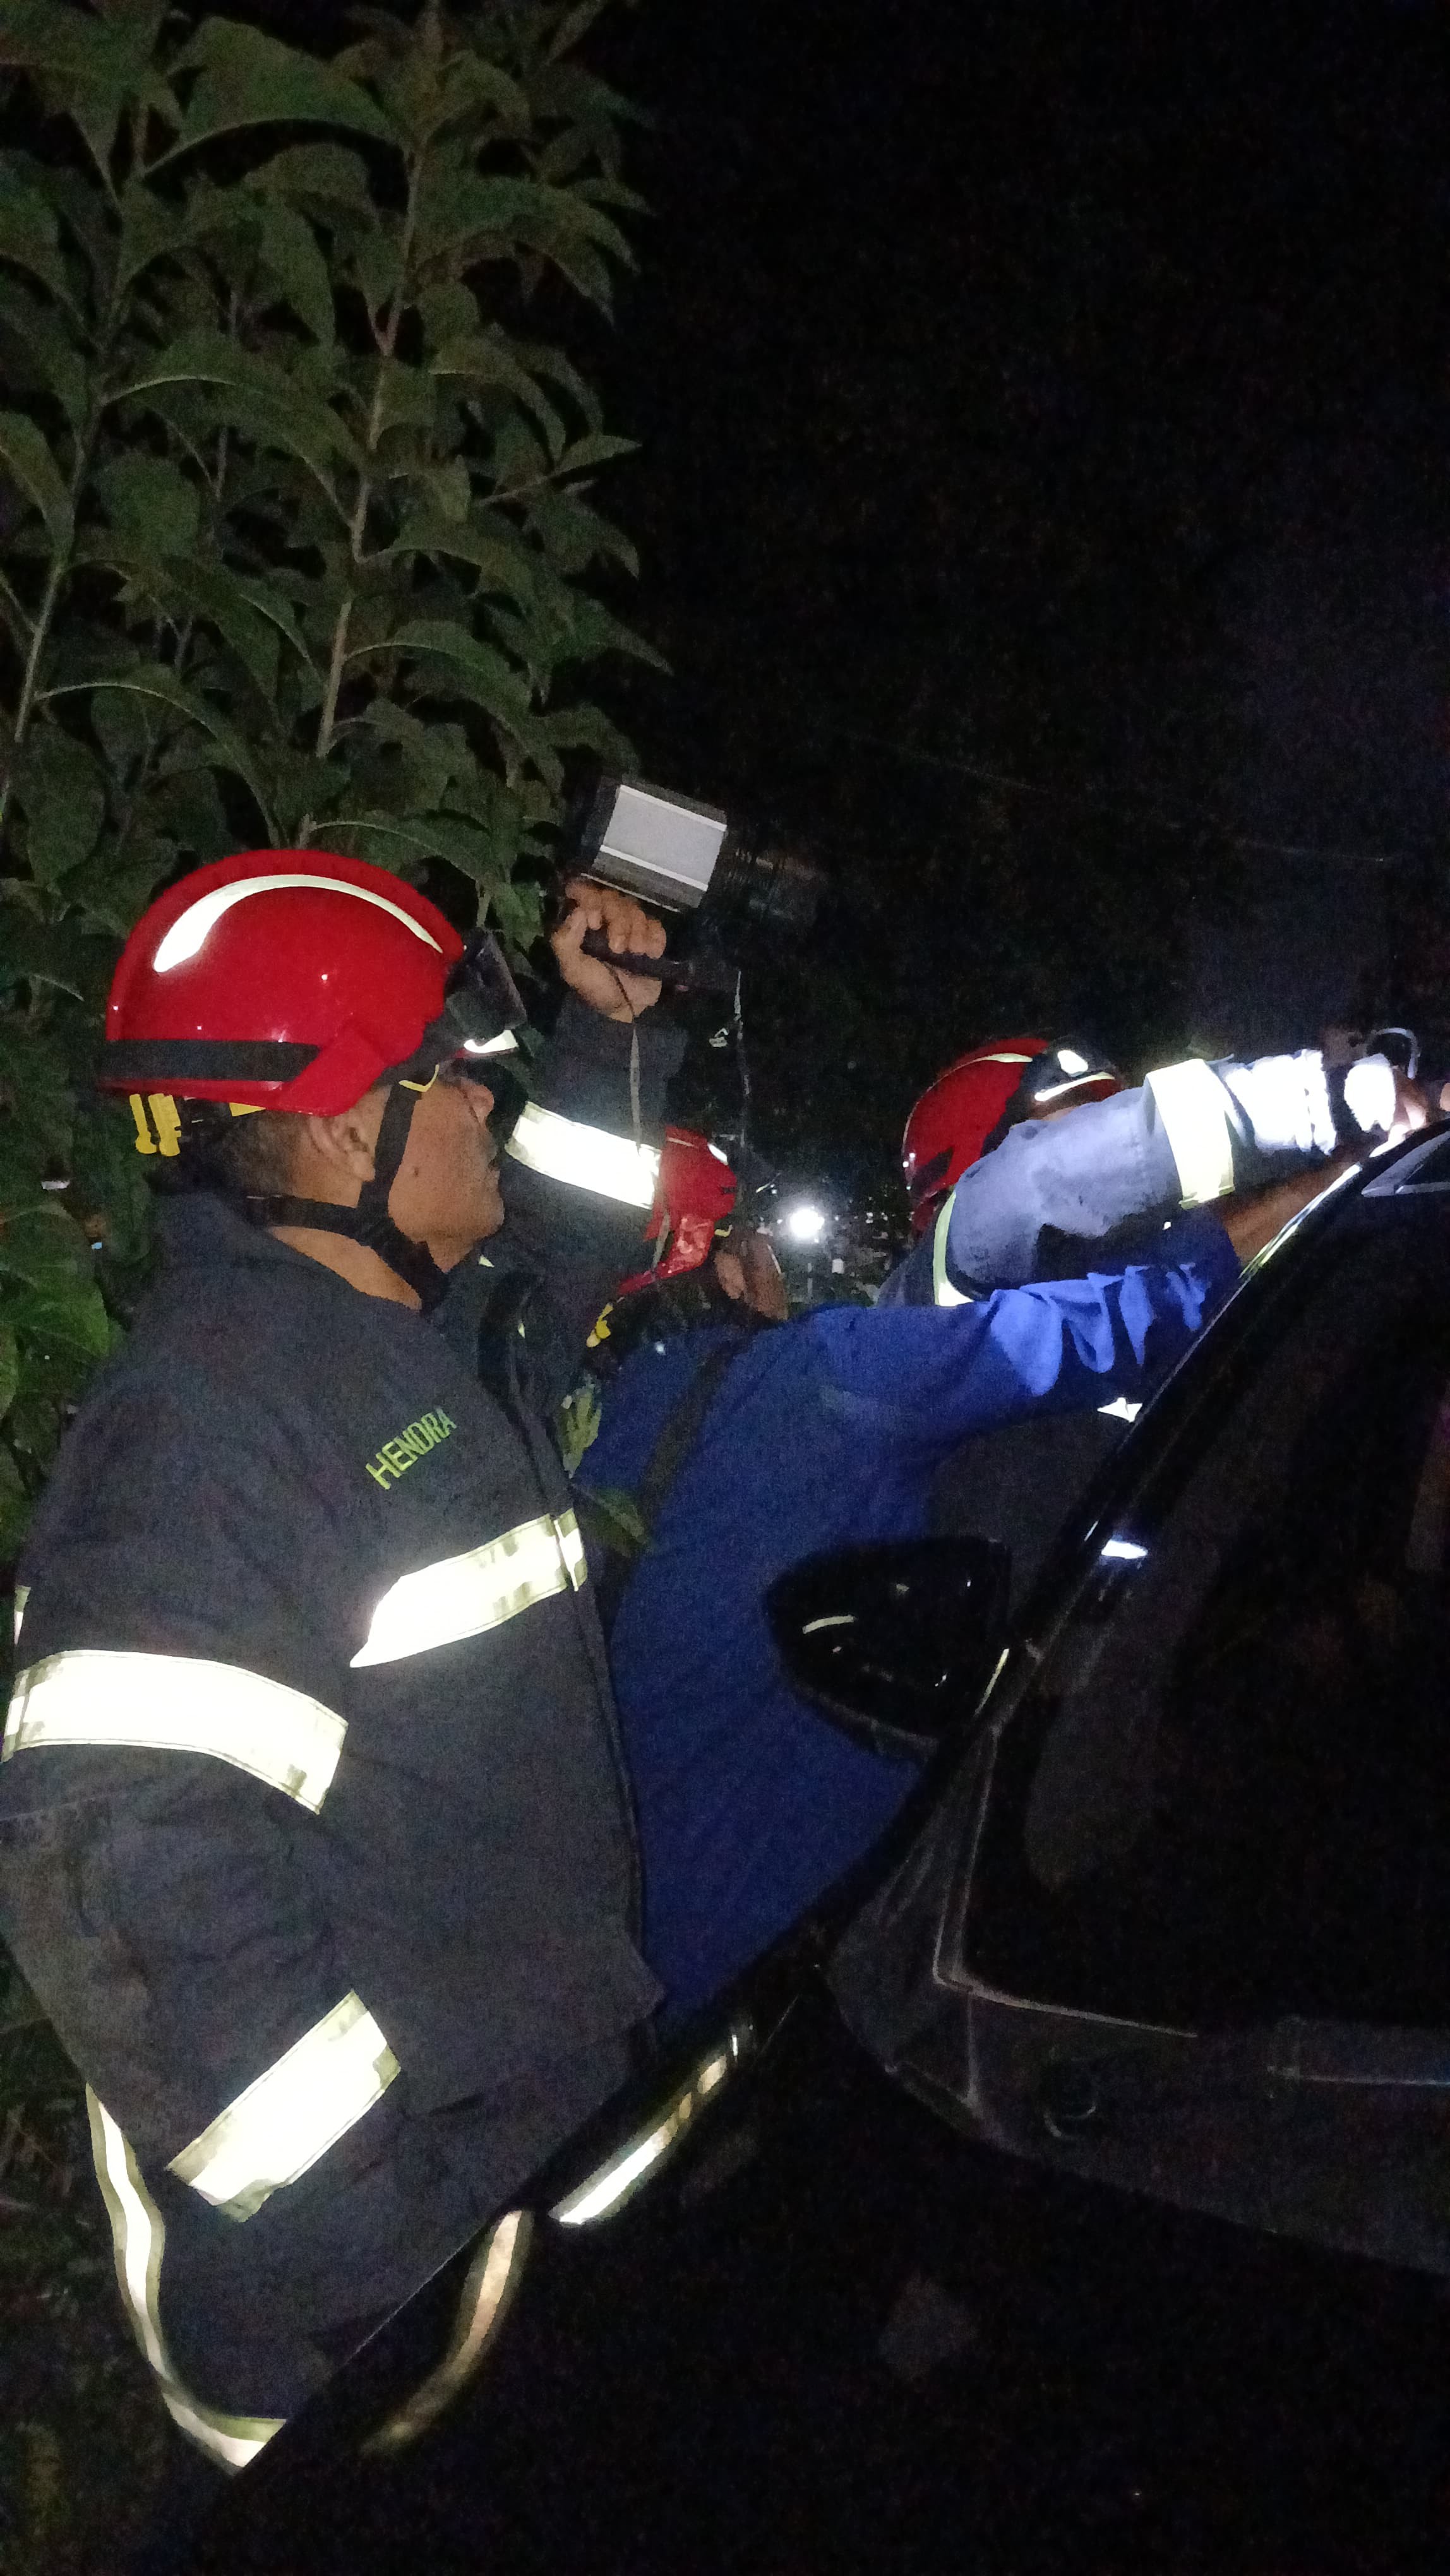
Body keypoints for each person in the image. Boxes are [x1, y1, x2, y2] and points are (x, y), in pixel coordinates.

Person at [0, 849, 679, 2470]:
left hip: (501, 2213)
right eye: (455, 1077)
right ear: (326, 1123)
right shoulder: (211, 1433)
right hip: (372, 2345)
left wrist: (609, 1042)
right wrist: (406, 2260)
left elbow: (562, 1264)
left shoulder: (386, 1347)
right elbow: (118, 1876)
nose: (487, 1109)